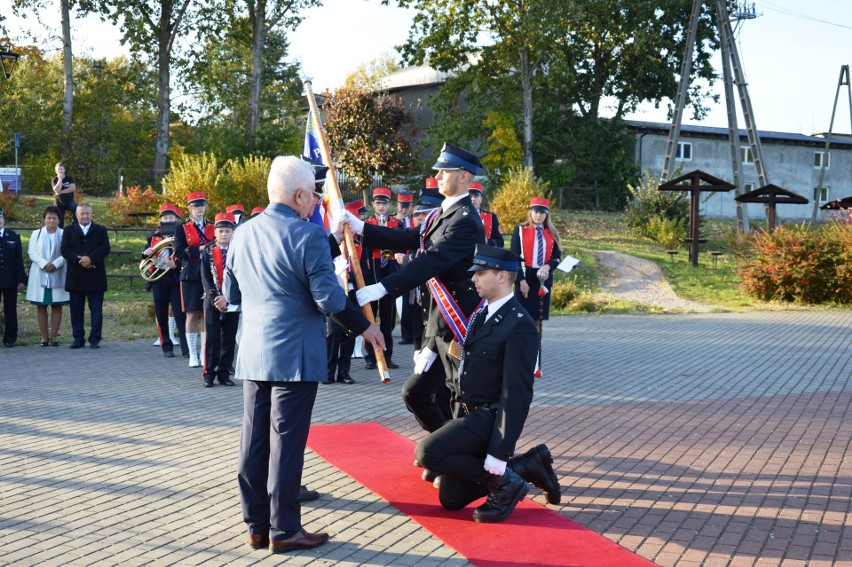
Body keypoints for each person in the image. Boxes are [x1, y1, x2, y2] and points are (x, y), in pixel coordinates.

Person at [224, 156, 384, 554]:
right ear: (298, 195)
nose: (315, 202)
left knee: (254, 441)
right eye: (313, 195)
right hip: (294, 353)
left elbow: (234, 293)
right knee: (286, 445)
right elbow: (329, 298)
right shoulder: (307, 237)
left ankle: (256, 526)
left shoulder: (241, 234)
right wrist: (367, 327)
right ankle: (285, 530)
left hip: (254, 350)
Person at [414, 245, 562, 523]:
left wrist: (499, 451)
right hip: (468, 414)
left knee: (427, 452)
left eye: (481, 273)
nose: (473, 279)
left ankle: (506, 483)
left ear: (503, 276)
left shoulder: (520, 325)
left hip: (489, 419)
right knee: (451, 500)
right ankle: (527, 466)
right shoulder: (484, 314)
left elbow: (516, 395)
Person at [346, 143, 485, 433]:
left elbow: (432, 260)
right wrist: (361, 228)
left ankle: (462, 459)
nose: (439, 177)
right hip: (436, 320)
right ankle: (446, 450)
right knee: (417, 393)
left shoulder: (466, 220)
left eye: (445, 171)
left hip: (456, 321)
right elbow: (408, 238)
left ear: (463, 176)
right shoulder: (439, 214)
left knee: (456, 396)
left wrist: (383, 288)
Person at [400, 186, 453, 435]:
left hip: (444, 333)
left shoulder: (441, 250)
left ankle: (446, 444)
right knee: (426, 393)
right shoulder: (423, 249)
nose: (420, 221)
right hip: (425, 330)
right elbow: (420, 303)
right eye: (419, 217)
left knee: (442, 393)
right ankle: (442, 442)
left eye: (425, 217)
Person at [510, 197, 562, 378]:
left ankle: (535, 362)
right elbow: (514, 257)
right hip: (526, 276)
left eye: (542, 213)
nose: (538, 216)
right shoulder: (521, 230)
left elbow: (556, 257)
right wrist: (521, 280)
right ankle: (519, 358)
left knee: (537, 321)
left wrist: (548, 267)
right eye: (536, 212)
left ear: (546, 215)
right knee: (521, 319)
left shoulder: (552, 233)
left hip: (543, 278)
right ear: (530, 212)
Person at [325, 199, 368, 385]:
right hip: (336, 293)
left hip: (353, 294)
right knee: (334, 334)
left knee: (351, 333)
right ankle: (328, 372)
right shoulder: (330, 244)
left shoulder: (358, 247)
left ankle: (344, 371)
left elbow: (365, 271)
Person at [360, 187, 402, 370]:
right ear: (373, 205)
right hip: (374, 272)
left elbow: (402, 244)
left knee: (389, 318)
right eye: (378, 203)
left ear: (389, 205)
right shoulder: (367, 223)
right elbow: (364, 250)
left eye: (384, 203)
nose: (381, 206)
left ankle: (387, 354)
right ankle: (371, 356)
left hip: (390, 271)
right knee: (371, 317)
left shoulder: (396, 224)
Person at [61, 203, 111, 349]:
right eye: (82, 214)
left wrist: (91, 259)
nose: (85, 216)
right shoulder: (69, 230)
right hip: (75, 276)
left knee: (96, 310)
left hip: (95, 276)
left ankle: (95, 339)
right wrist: (79, 260)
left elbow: (105, 248)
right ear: (76, 215)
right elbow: (65, 249)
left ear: (92, 215)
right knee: (76, 310)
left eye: (87, 213)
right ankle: (78, 338)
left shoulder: (100, 230)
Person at [174, 191, 215, 368]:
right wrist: (200, 249)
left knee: (207, 313)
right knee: (191, 314)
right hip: (190, 272)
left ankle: (204, 352)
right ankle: (192, 354)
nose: (199, 209)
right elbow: (179, 251)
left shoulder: (213, 226)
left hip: (208, 272)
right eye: (195, 206)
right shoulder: (181, 227)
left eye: (201, 205)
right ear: (189, 208)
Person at [143, 203, 188, 359]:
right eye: (165, 217)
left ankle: (186, 347)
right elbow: (145, 253)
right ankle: (166, 346)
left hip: (175, 276)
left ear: (177, 219)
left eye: (171, 217)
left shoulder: (182, 235)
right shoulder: (153, 235)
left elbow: (185, 255)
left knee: (181, 313)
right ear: (161, 220)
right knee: (161, 312)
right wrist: (146, 252)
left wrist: (176, 264)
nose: (168, 220)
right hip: (159, 277)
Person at [200, 213, 239, 388]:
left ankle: (224, 373)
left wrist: (229, 298)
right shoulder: (207, 251)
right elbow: (205, 277)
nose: (224, 234)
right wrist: (216, 297)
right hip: (212, 300)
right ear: (214, 232)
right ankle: (209, 373)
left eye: (228, 231)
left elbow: (241, 276)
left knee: (229, 338)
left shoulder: (239, 250)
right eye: (221, 231)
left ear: (233, 232)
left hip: (233, 300)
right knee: (213, 338)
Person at [26, 206, 69, 346]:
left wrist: (55, 264)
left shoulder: (64, 234)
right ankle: (44, 337)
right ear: (44, 219)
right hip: (40, 273)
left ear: (59, 220)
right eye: (49, 217)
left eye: (54, 218)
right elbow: (32, 253)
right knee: (41, 306)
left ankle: (54, 337)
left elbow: (67, 252)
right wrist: (45, 264)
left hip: (58, 272)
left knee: (57, 306)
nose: (51, 220)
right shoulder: (36, 234)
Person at [0, 209, 27, 347]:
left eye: (0, 217)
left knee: (10, 309)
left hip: (10, 279)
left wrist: (21, 279)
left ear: (4, 219)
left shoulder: (13, 236)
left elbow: (18, 260)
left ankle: (10, 338)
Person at [394, 190, 415, 345]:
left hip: (413, 261)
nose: (403, 209)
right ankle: (405, 334)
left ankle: (412, 333)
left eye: (406, 206)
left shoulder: (414, 221)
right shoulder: (394, 221)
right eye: (401, 206)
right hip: (397, 262)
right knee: (403, 300)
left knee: (412, 300)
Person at [469, 182, 504, 247]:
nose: (473, 199)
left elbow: (500, 242)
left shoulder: (491, 217)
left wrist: (487, 241)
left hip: (484, 254)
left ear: (481, 199)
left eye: (476, 196)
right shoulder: (460, 215)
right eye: (470, 196)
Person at [51, 162, 78, 229]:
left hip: (69, 201)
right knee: (60, 219)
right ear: (56, 171)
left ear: (64, 170)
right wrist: (60, 179)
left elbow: (73, 188)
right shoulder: (54, 179)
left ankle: (75, 227)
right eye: (58, 169)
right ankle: (60, 232)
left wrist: (61, 192)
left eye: (61, 169)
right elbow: (57, 190)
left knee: (77, 209)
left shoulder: (69, 178)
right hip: (59, 202)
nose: (60, 171)